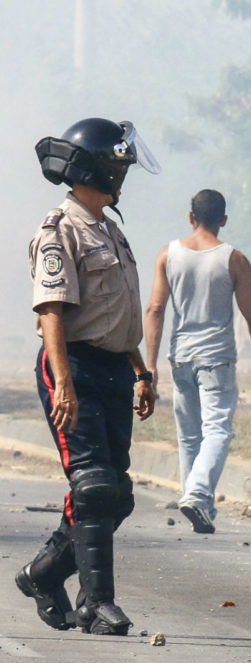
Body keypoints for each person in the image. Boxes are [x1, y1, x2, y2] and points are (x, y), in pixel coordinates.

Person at [16, 117, 161, 635]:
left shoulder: (109, 230)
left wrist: (141, 370)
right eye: (116, 166)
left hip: (114, 369)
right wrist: (65, 384)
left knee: (114, 494)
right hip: (72, 365)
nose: (122, 176)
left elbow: (117, 314)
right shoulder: (58, 231)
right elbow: (52, 312)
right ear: (96, 169)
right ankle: (96, 604)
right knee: (94, 485)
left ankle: (43, 572)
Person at [144, 189, 251, 534]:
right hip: (216, 358)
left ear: (191, 217)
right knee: (218, 429)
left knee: (190, 436)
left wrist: (151, 365)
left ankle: (198, 503)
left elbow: (155, 310)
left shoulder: (168, 254)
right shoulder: (234, 259)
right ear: (223, 220)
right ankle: (198, 492)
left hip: (180, 357)